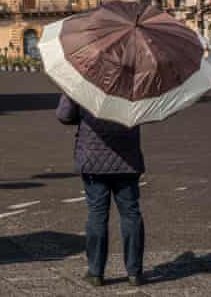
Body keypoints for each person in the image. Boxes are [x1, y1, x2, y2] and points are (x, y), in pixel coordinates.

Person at [57, 93, 146, 287]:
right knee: (131, 213)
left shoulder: (82, 80)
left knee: (97, 214)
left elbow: (64, 115)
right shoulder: (134, 83)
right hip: (127, 158)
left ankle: (96, 272)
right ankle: (135, 272)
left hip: (93, 159)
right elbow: (144, 113)